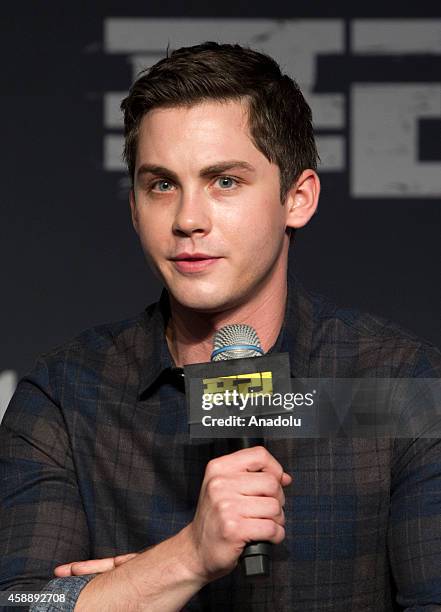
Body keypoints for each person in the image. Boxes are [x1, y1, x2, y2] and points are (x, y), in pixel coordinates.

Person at [0, 41, 440, 612]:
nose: (188, 219)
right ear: (134, 206)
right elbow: (22, 602)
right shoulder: (65, 394)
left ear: (297, 198)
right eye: (161, 184)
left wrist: (112, 597)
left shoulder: (400, 387)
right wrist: (185, 559)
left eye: (225, 181)